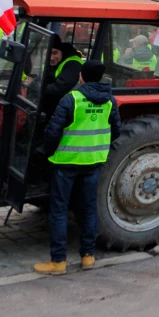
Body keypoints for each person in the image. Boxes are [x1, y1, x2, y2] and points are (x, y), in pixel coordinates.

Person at [34, 59, 120, 276]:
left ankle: (58, 261)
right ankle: (88, 257)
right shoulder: (110, 100)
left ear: (81, 76)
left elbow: (53, 131)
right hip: (93, 162)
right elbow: (116, 130)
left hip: (66, 163)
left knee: (59, 210)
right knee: (89, 209)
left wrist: (47, 151)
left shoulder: (72, 99)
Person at [41, 42, 85, 120]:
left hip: (70, 109)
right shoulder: (57, 62)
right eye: (47, 53)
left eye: (55, 53)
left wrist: (37, 86)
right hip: (60, 106)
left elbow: (59, 88)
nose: (51, 57)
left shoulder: (73, 64)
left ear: (62, 52)